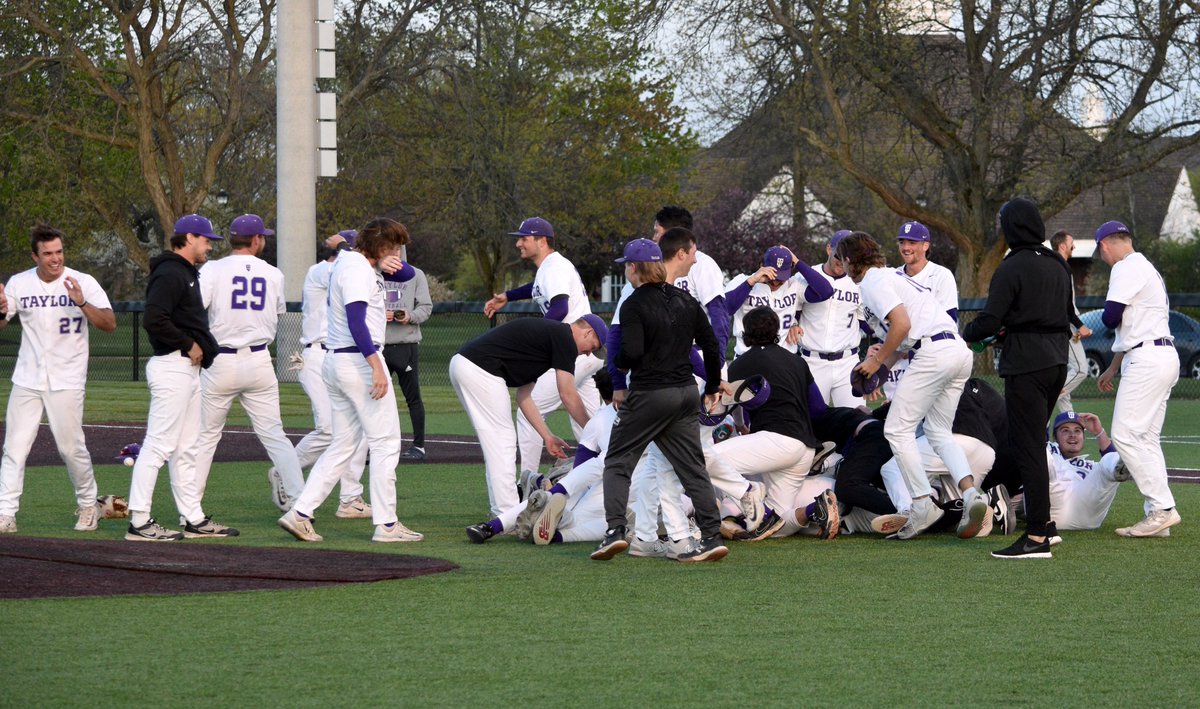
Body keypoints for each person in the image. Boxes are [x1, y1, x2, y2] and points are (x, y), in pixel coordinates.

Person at [277, 218, 424, 543]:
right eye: (395, 246)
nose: (400, 252)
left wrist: (383, 259)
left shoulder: (349, 261)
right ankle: (387, 525)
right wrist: (375, 366)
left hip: (338, 360)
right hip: (359, 359)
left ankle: (300, 513)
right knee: (386, 442)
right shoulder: (357, 269)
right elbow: (358, 321)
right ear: (382, 247)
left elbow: (406, 274)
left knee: (342, 444)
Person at [835, 231, 982, 541]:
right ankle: (972, 496)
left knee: (896, 430)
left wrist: (875, 362)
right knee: (939, 432)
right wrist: (882, 368)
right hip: (956, 351)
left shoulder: (874, 280)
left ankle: (921, 504)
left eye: (842, 258)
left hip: (934, 352)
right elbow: (906, 338)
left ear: (849, 260)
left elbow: (902, 325)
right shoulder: (890, 276)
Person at [592, 236, 729, 563]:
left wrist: (621, 363)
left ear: (635, 268)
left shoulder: (634, 303)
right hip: (685, 393)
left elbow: (633, 351)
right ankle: (711, 536)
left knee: (618, 460)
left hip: (650, 393)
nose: (626, 270)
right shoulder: (686, 299)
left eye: (627, 265)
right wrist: (711, 384)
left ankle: (614, 532)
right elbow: (711, 346)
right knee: (693, 468)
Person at [963, 198, 1072, 559]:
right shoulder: (1057, 263)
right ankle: (1048, 527)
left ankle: (1037, 535)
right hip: (1057, 361)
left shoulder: (1012, 267)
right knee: (1033, 443)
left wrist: (967, 332)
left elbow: (990, 321)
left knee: (1027, 447)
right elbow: (1064, 314)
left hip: (1026, 363)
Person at [0, 223, 116, 534]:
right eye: (48, 253)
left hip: (67, 378)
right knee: (15, 447)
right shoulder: (19, 283)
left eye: (59, 251)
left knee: (70, 448)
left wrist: (81, 302)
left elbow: (109, 323)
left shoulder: (83, 282)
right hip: (27, 378)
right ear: (35, 255)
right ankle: (5, 512)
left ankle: (88, 504)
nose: (55, 259)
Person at [125, 214, 235, 541]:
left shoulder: (185, 272)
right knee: (158, 445)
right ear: (188, 238)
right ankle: (139, 521)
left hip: (187, 369)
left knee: (187, 447)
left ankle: (193, 518)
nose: (208, 247)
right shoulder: (172, 272)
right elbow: (153, 319)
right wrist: (188, 343)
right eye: (205, 240)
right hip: (172, 366)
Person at [191, 214, 306, 513]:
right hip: (258, 360)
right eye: (262, 236)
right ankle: (300, 503)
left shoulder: (212, 269)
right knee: (275, 436)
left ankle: (191, 508)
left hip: (221, 360)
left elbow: (194, 310)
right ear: (255, 240)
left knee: (205, 437)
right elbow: (277, 313)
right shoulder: (273, 273)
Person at [449, 310, 608, 518]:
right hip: (480, 370)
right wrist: (594, 429)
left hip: (466, 365)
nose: (588, 354)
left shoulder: (549, 340)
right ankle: (507, 514)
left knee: (497, 444)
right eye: (592, 348)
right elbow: (567, 393)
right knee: (502, 441)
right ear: (587, 332)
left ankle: (502, 512)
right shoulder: (564, 338)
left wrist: (547, 436)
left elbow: (524, 396)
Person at [483, 217, 604, 475]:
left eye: (524, 238)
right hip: (585, 352)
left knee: (530, 410)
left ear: (542, 240)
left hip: (575, 350)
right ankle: (617, 471)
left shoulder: (555, 267)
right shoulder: (549, 268)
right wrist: (508, 296)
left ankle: (526, 484)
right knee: (592, 424)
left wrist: (536, 337)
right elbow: (539, 288)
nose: (518, 243)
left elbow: (560, 306)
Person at [1094, 220, 1181, 538]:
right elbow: (1134, 325)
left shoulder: (1126, 266)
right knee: (1146, 438)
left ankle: (1162, 508)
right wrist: (1114, 367)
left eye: (1100, 252)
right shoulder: (1146, 267)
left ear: (1105, 245)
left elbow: (1110, 316)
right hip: (1160, 354)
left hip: (1146, 359)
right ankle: (1157, 516)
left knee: (1125, 434)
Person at [280, 231, 371, 518]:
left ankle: (350, 498)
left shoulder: (348, 271)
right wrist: (348, 250)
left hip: (339, 355)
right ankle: (286, 470)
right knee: (330, 429)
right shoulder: (320, 270)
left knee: (360, 427)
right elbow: (344, 269)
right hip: (318, 355)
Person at [716, 306, 825, 538]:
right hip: (804, 447)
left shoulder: (740, 364)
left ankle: (747, 495)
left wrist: (740, 425)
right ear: (777, 329)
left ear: (745, 333)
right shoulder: (797, 362)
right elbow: (818, 408)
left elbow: (724, 406)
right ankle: (813, 509)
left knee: (705, 460)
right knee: (774, 527)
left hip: (775, 440)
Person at [882, 222, 960, 398]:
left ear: (925, 245)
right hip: (899, 357)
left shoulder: (941, 275)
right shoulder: (893, 276)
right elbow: (887, 322)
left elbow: (950, 320)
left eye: (912, 242)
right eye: (902, 242)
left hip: (933, 354)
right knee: (898, 413)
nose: (906, 247)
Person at [793, 230, 865, 406]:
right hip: (813, 362)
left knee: (855, 420)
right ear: (828, 249)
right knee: (813, 423)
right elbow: (791, 311)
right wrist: (793, 323)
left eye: (848, 257)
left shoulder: (860, 281)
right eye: (838, 256)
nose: (842, 261)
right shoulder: (805, 276)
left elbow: (866, 322)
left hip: (848, 361)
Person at [724, 246, 831, 356]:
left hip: (783, 358)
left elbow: (826, 291)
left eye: (781, 277)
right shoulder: (742, 281)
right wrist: (750, 282)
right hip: (747, 357)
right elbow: (725, 309)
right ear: (761, 266)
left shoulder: (794, 284)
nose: (776, 283)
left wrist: (797, 262)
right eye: (773, 275)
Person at [1046, 411, 1133, 532]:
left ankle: (1124, 463)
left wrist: (1099, 432)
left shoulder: (1091, 466)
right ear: (1055, 436)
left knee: (1107, 462)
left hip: (1087, 512)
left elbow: (1109, 456)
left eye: (1077, 430)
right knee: (1042, 454)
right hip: (1052, 508)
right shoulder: (1051, 449)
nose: (1072, 435)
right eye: (1065, 430)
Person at [382, 255, 432, 461]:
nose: (392, 251)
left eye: (396, 246)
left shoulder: (416, 274)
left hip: (406, 345)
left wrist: (408, 316)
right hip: (378, 346)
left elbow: (426, 307)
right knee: (374, 398)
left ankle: (418, 446)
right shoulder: (372, 273)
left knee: (413, 397)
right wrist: (378, 313)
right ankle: (372, 446)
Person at [1050, 230, 1092, 414]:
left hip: (1064, 327)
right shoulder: (1060, 267)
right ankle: (1046, 398)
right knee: (1080, 369)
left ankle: (1067, 421)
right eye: (1071, 243)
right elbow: (1064, 305)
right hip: (1066, 327)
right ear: (1062, 246)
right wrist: (1079, 326)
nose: (1073, 246)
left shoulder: (1056, 266)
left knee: (1064, 374)